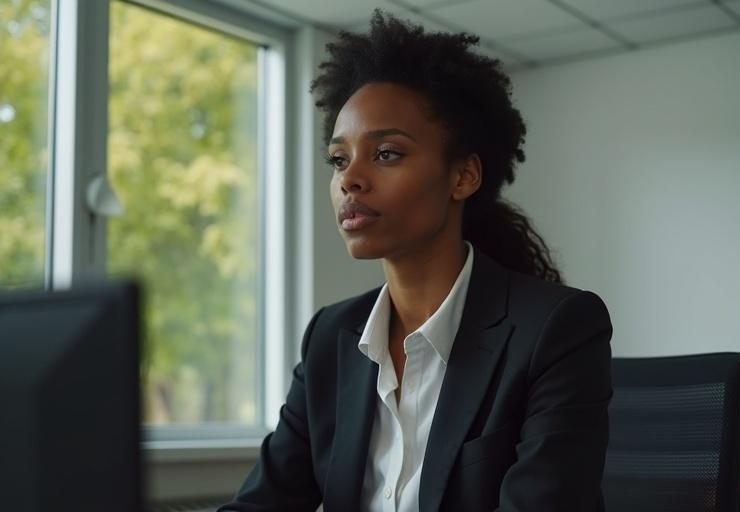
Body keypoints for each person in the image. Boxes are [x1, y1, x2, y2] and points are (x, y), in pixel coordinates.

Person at [218, 9, 612, 512]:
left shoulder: (555, 329)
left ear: (463, 176)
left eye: (386, 154)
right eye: (339, 159)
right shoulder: (330, 338)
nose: (349, 180)